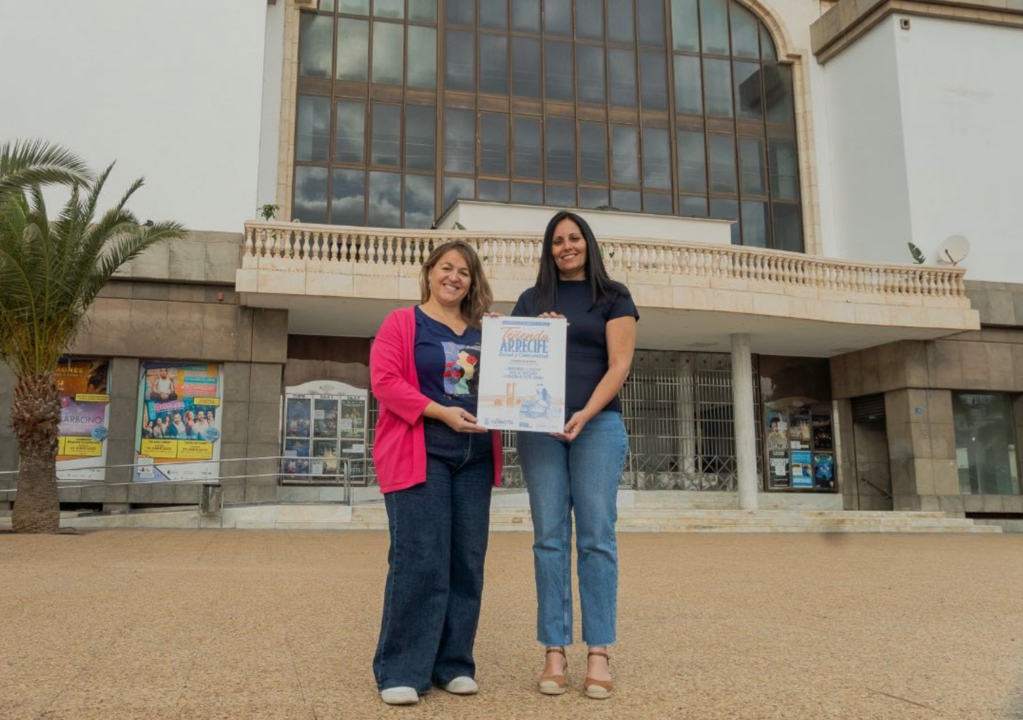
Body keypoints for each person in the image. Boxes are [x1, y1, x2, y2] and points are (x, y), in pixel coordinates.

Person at [369, 240, 503, 706]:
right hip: (421, 449)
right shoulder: (402, 323)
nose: (454, 277)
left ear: (473, 281)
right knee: (420, 558)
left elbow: (521, 374)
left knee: (467, 562)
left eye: (464, 272)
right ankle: (402, 669)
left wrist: (545, 334)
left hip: (476, 456)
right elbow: (385, 382)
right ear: (429, 272)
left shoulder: (488, 332)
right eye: (446, 267)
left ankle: (453, 664)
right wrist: (439, 412)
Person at [512, 211, 638, 700]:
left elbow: (620, 363)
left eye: (574, 238)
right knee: (548, 539)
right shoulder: (531, 300)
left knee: (596, 539)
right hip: (541, 428)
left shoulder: (613, 296)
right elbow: (513, 360)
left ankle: (599, 651)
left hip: (597, 426)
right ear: (549, 249)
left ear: (588, 242)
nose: (566, 246)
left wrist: (584, 413)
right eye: (558, 240)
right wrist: (537, 334)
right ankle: (554, 649)